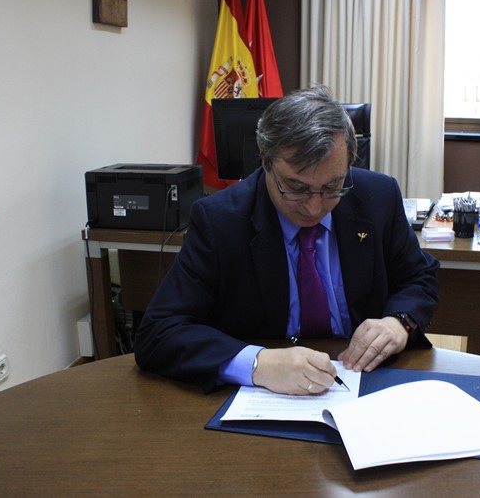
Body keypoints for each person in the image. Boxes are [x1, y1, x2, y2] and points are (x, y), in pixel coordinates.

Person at [134, 86, 439, 395]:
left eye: (333, 186)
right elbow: (159, 332)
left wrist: (399, 322)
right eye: (296, 188)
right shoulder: (219, 221)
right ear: (265, 159)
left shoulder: (379, 196)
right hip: (263, 394)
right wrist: (257, 363)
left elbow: (419, 275)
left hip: (365, 380)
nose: (314, 207)